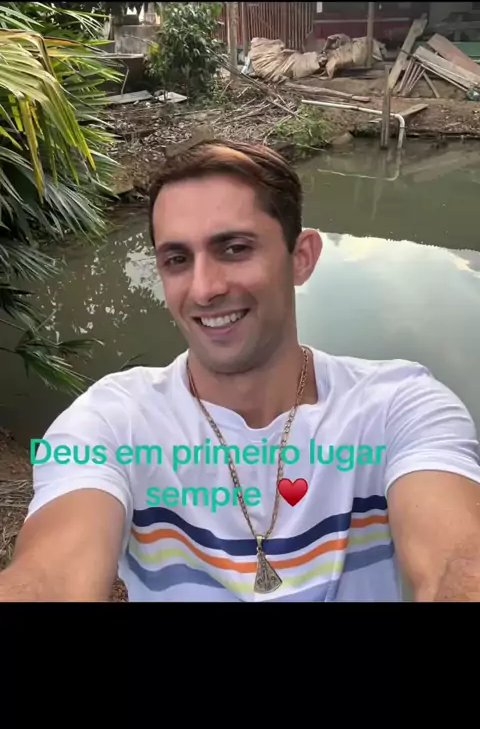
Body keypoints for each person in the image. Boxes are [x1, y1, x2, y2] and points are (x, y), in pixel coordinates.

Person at [1, 139, 480, 603]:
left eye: (234, 248)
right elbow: (49, 574)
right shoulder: (111, 422)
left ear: (301, 258)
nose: (204, 289)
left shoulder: (398, 407)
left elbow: (455, 560)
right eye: (177, 259)